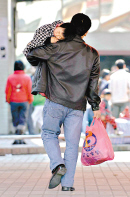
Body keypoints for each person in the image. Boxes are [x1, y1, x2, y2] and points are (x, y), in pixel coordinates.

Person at [26, 13, 101, 192]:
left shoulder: (57, 47)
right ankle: (67, 184)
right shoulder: (92, 53)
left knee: (48, 133)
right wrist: (95, 106)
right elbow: (93, 83)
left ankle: (58, 164)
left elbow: (31, 54)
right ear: (86, 32)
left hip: (55, 101)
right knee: (73, 144)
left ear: (71, 27)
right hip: (77, 106)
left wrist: (50, 40)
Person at [23, 21, 76, 96]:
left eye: (60, 37)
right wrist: (48, 40)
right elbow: (35, 43)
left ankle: (43, 86)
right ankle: (42, 86)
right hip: (36, 53)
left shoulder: (63, 41)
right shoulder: (46, 29)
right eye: (58, 32)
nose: (57, 35)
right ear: (59, 25)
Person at [5, 60, 34, 144]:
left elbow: (7, 91)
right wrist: (30, 100)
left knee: (15, 120)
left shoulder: (10, 77)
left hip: (13, 101)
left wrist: (8, 100)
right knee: (22, 119)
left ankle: (17, 139)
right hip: (24, 101)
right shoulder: (27, 78)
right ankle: (20, 138)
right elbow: (29, 90)